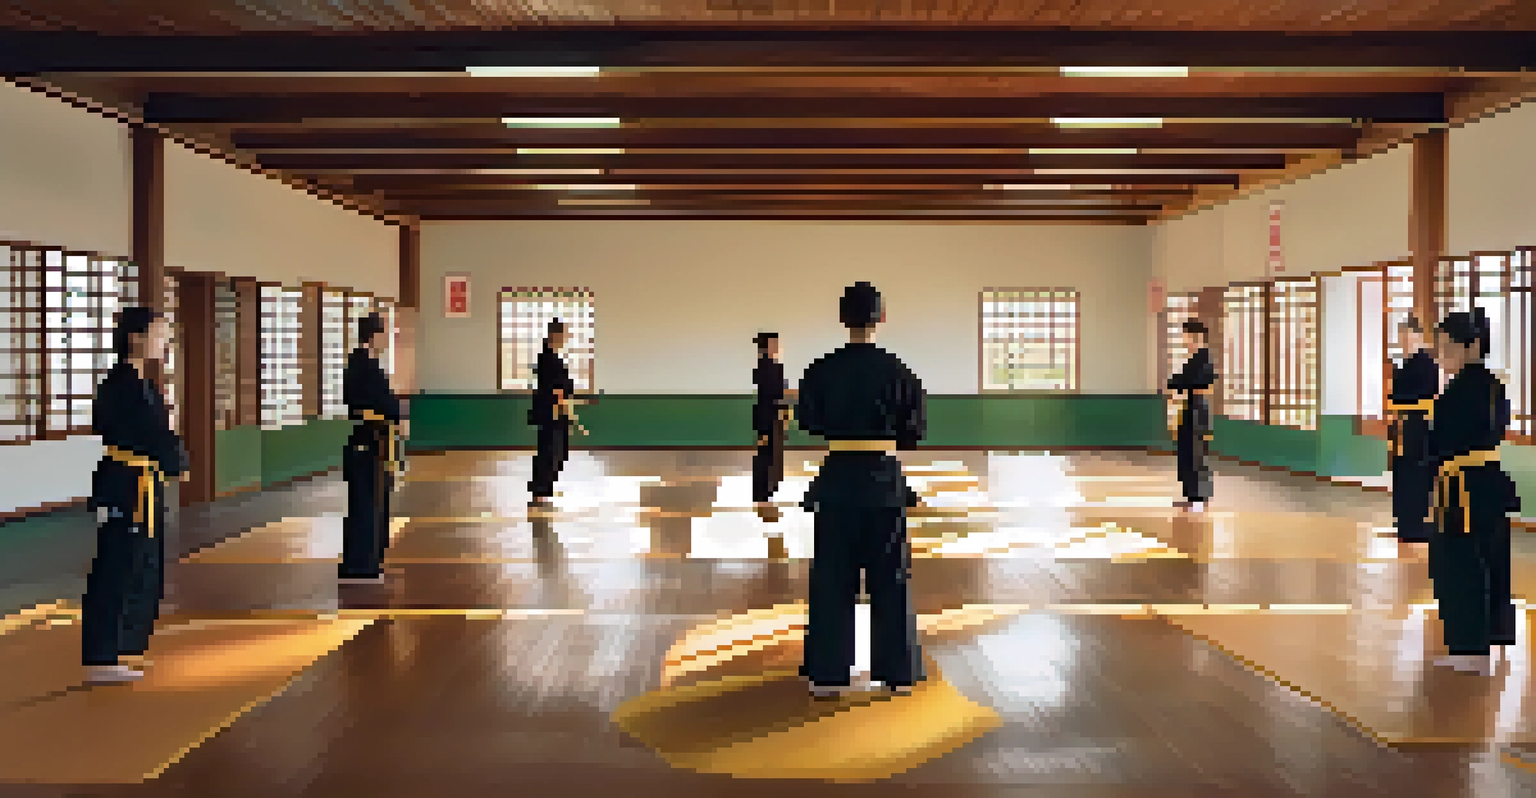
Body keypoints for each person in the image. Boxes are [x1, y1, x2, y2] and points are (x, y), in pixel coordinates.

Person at [796, 281, 926, 699]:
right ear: (881, 318)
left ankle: (827, 674)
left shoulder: (821, 370)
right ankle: (897, 673)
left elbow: (808, 421)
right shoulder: (899, 372)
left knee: (832, 579)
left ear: (842, 319)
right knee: (892, 579)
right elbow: (914, 431)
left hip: (837, 484)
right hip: (884, 484)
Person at [82, 306, 188, 684]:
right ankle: (100, 654)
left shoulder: (143, 382)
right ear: (136, 337)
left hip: (141, 481)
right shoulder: (120, 384)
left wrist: (174, 455)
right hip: (125, 484)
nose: (165, 341)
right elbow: (150, 434)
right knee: (116, 564)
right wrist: (174, 455)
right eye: (159, 333)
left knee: (141, 562)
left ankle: (123, 645)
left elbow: (159, 434)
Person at [1427, 309, 1521, 675]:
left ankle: (1469, 646)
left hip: (1464, 486)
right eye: (1439, 348)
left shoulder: (1466, 386)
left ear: (1472, 347)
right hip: (1487, 481)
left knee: (1459, 561)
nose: (1441, 356)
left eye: (1448, 348)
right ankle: (1489, 639)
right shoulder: (1492, 385)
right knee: (1491, 559)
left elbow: (1444, 439)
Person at [339, 312, 405, 585]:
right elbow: (384, 403)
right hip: (369, 440)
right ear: (374, 336)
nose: (386, 340)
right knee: (367, 502)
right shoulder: (363, 366)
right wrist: (398, 416)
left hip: (370, 439)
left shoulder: (363, 364)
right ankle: (362, 565)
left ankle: (366, 561)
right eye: (384, 334)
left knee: (370, 501)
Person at [1386, 316, 1437, 552]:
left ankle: (1415, 525)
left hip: (1418, 428)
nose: (1403, 342)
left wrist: (1400, 400)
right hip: (1404, 427)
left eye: (1407, 337)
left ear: (1418, 337)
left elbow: (1422, 395)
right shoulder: (1405, 363)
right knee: (1402, 472)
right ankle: (1404, 524)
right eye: (1400, 337)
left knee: (1416, 474)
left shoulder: (1427, 363)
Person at [529, 319, 583, 509]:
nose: (565, 339)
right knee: (550, 450)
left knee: (556, 450)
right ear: (555, 335)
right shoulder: (547, 358)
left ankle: (543, 489)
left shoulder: (552, 358)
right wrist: (561, 399)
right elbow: (554, 387)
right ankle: (540, 491)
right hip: (551, 411)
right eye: (563, 335)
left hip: (556, 411)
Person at [1166, 320, 1218, 511]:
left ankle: (1199, 497)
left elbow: (1204, 387)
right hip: (1187, 409)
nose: (1185, 341)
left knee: (1197, 454)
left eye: (1186, 337)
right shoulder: (1191, 360)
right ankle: (1190, 495)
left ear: (1196, 337)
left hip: (1198, 411)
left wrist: (1182, 386)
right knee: (1186, 453)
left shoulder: (1204, 360)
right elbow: (1175, 381)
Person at [752, 332, 794, 523]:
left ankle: (766, 495)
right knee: (767, 457)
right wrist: (762, 428)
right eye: (774, 343)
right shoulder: (767, 368)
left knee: (772, 457)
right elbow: (765, 400)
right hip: (769, 419)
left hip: (773, 418)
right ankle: (763, 496)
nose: (778, 346)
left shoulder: (772, 367)